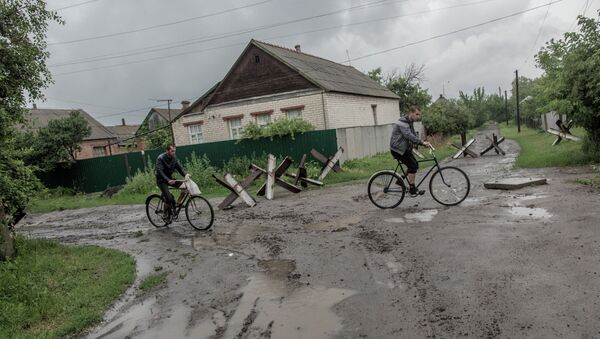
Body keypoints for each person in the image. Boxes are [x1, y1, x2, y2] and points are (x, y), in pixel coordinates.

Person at [390, 105, 432, 196]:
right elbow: (408, 135)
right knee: (412, 166)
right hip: (398, 149)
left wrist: (422, 143)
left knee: (415, 165)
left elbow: (413, 135)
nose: (418, 117)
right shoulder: (403, 123)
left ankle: (400, 179)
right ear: (411, 113)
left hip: (403, 148)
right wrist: (421, 143)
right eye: (417, 114)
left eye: (419, 115)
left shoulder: (410, 122)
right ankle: (412, 189)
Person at [156, 144, 187, 216]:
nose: (174, 153)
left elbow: (180, 168)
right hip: (161, 180)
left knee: (185, 186)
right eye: (172, 151)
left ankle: (178, 203)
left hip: (170, 179)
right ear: (167, 151)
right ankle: (165, 214)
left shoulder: (174, 158)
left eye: (174, 151)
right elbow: (160, 171)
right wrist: (167, 180)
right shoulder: (160, 158)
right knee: (169, 199)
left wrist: (186, 175)